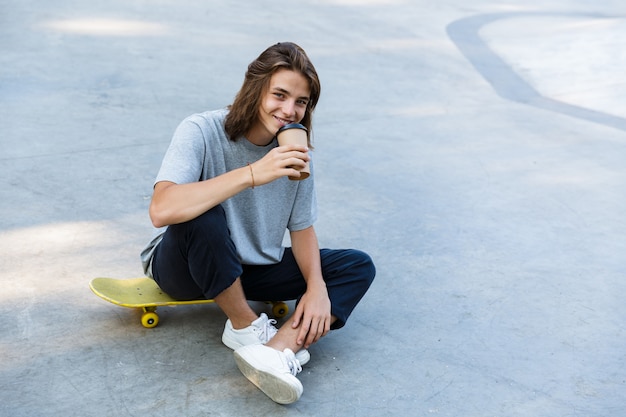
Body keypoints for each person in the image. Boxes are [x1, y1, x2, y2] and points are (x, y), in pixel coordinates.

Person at [140, 42, 375, 404]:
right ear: (255, 88)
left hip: (250, 268)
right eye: (279, 95)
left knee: (356, 266)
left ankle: (275, 351)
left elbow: (302, 229)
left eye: (301, 102)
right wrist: (251, 173)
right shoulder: (201, 130)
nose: (289, 110)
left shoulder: (294, 151)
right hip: (184, 268)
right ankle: (245, 327)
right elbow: (162, 209)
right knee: (202, 213)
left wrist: (315, 287)